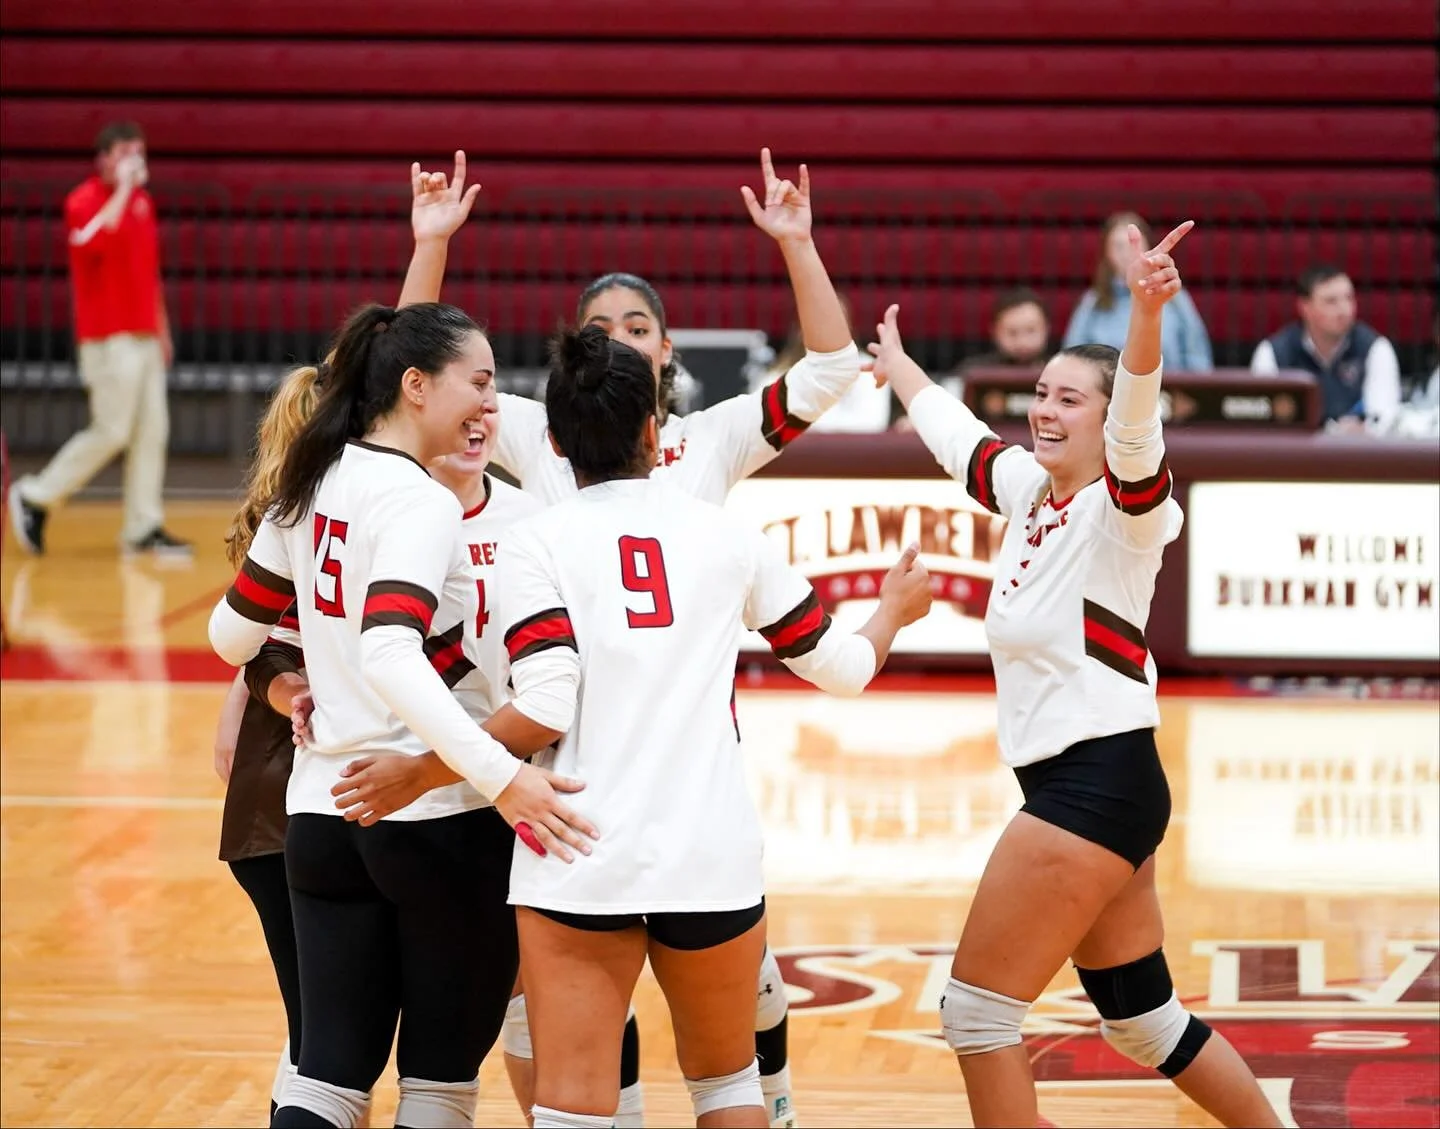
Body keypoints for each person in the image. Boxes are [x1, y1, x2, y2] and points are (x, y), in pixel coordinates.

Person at [335, 325, 933, 1128]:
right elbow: (844, 669)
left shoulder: (532, 540)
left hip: (579, 846)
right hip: (709, 851)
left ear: (551, 441)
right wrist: (891, 612)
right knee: (727, 1086)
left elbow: (543, 705)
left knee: (576, 1104)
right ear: (655, 429)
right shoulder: (725, 535)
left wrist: (427, 770)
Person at [398, 147, 858, 1129]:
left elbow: (828, 369)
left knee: (712, 1021)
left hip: (654, 761)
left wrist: (797, 243)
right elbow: (415, 370)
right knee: (583, 1032)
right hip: (560, 762)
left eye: (635, 325)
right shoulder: (540, 428)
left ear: (667, 351)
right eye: (598, 326)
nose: (615, 337)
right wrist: (429, 247)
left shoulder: (713, 437)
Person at [870, 220, 1280, 1127]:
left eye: (1069, 401)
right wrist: (898, 367)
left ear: (1105, 418)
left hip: (1092, 783)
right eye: (1041, 395)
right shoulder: (1030, 492)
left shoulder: (1130, 511)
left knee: (976, 1016)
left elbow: (1138, 425)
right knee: (1142, 1022)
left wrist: (1144, 313)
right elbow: (961, 438)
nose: (1045, 412)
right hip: (1101, 783)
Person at [207, 300, 597, 1129]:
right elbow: (391, 651)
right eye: (479, 381)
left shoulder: (308, 481)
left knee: (326, 1079)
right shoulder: (422, 503)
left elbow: (229, 634)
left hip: (321, 814)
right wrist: (507, 780)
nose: (490, 403)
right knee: (438, 1084)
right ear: (416, 386)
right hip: (435, 821)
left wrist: (309, 679)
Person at [212, 362, 323, 1119]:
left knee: (321, 1028)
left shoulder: (279, 517)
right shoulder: (305, 523)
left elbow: (251, 649)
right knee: (321, 1034)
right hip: (282, 802)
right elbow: (259, 650)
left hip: (270, 794)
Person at [9, 120, 190, 557]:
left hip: (143, 336)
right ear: (105, 157)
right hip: (108, 341)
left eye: (140, 153)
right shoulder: (84, 201)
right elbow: (89, 241)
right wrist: (124, 192)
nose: (136, 162)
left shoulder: (144, 204)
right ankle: (34, 496)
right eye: (128, 152)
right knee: (111, 430)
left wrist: (161, 328)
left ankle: (142, 527)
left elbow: (149, 273)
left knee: (153, 431)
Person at [1250, 264, 1402, 432]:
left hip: (1357, 452)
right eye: (1331, 301)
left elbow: (1383, 420)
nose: (1344, 309)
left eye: (1349, 298)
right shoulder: (1272, 352)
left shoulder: (1376, 348)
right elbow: (1262, 421)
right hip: (1293, 453)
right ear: (1304, 307)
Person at [1062, 211, 1212, 373]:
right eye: (1118, 246)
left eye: (1133, 245)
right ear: (1107, 253)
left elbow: (1198, 358)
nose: (1127, 253)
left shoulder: (1174, 296)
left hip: (1167, 393)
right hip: (1108, 394)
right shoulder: (1092, 301)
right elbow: (1072, 358)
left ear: (1148, 246)